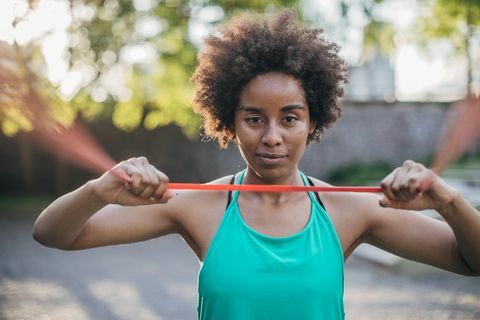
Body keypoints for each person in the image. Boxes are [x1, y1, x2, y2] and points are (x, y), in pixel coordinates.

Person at [33, 9, 480, 320]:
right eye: (253, 119)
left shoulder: (348, 210)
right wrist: (97, 190)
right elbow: (52, 234)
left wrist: (447, 199)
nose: (271, 136)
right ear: (229, 120)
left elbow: (471, 260)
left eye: (290, 118)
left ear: (312, 121)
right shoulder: (195, 206)